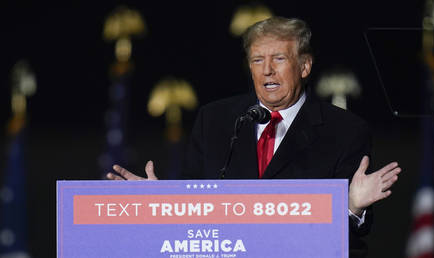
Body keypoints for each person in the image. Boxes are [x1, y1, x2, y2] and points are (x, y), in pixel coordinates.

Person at [107, 16, 401, 258]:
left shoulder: (345, 131)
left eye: (279, 59)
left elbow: (352, 240)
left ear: (304, 66)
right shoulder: (215, 120)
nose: (267, 71)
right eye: (257, 60)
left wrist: (352, 207)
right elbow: (192, 206)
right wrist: (159, 203)